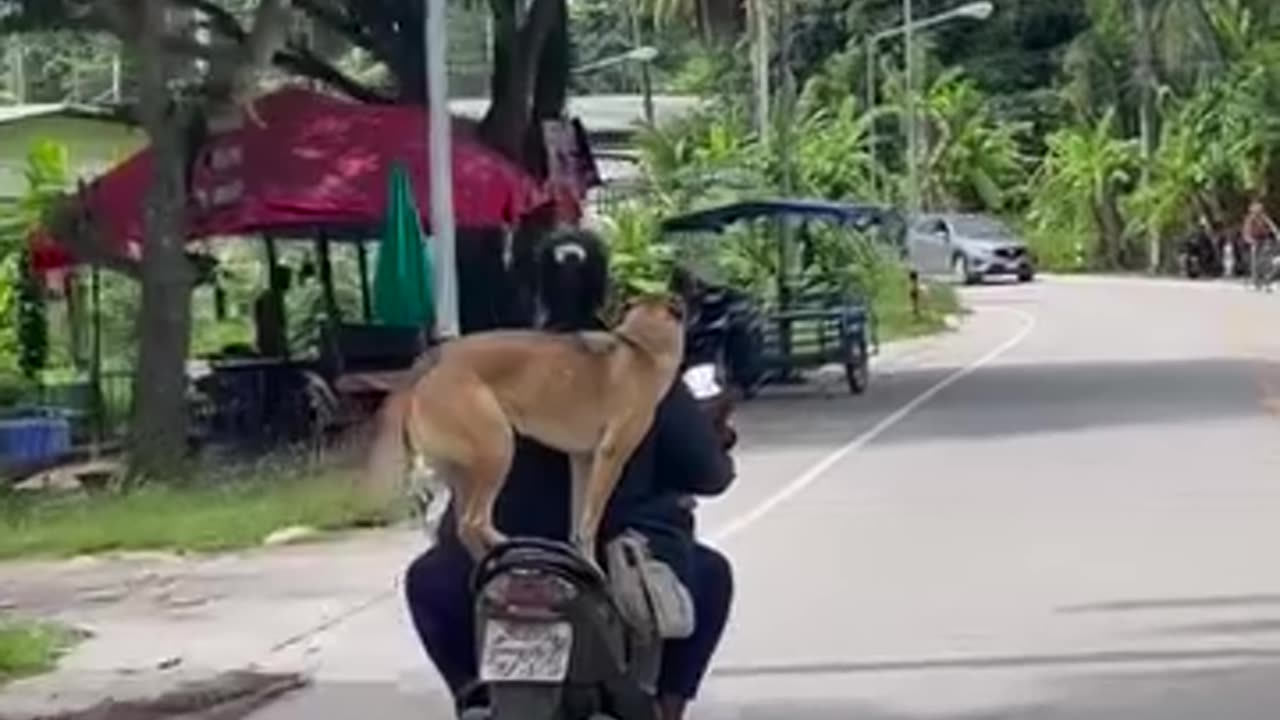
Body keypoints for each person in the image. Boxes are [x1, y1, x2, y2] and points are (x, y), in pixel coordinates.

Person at [404, 228, 736, 720]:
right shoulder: (647, 373)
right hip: (615, 564)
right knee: (712, 575)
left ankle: (473, 693)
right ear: (606, 295)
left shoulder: (502, 364)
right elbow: (709, 475)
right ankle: (665, 709)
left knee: (426, 579)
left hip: (497, 562)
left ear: (532, 291)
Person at [1242, 199, 1277, 291]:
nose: (1258, 210)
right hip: (1254, 241)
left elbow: (1272, 225)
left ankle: (1267, 282)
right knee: (1255, 263)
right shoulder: (1250, 218)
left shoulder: (1264, 217)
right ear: (1252, 209)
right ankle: (1256, 282)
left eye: (1260, 208)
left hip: (1264, 239)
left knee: (1266, 262)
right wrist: (1250, 240)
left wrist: (1276, 233)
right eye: (1256, 208)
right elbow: (1246, 231)